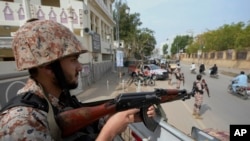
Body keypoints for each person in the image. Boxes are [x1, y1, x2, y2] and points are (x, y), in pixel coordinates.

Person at [0, 19, 155, 141]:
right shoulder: (20, 123)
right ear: (47, 66)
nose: (80, 67)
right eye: (73, 60)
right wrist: (110, 130)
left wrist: (124, 117)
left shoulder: (58, 101)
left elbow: (83, 127)